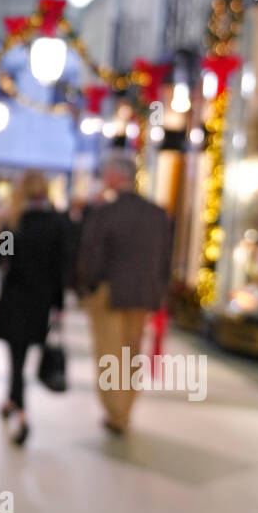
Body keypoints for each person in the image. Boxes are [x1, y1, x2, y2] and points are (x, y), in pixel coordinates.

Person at [75, 153, 172, 434]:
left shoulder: (105, 213)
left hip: (110, 294)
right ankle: (125, 408)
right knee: (131, 354)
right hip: (142, 295)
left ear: (117, 176)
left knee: (109, 354)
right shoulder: (156, 214)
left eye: (106, 173)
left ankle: (116, 412)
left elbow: (91, 254)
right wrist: (159, 292)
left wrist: (87, 286)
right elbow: (165, 258)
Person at [0, 170, 67, 446]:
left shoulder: (14, 223)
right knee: (20, 358)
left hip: (15, 298)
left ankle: (21, 414)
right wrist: (58, 305)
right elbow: (60, 268)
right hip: (40, 302)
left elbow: (2, 259)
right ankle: (12, 401)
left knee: (17, 360)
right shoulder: (57, 223)